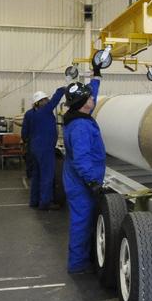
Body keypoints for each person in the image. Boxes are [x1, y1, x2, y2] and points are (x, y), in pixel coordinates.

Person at [60, 73, 105, 274]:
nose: (93, 99)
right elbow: (81, 158)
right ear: (83, 104)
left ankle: (83, 258)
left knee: (84, 220)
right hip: (81, 183)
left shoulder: (78, 115)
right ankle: (77, 264)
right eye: (90, 98)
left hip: (76, 178)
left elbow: (88, 96)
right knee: (81, 222)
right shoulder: (80, 126)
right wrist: (92, 181)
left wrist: (97, 76)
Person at [22, 87, 65, 210]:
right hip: (45, 149)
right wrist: (62, 89)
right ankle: (45, 203)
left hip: (34, 148)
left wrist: (27, 144)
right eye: (45, 99)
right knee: (47, 175)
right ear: (40, 102)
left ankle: (34, 201)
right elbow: (55, 100)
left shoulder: (29, 114)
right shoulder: (45, 111)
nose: (47, 101)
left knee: (36, 175)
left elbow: (24, 132)